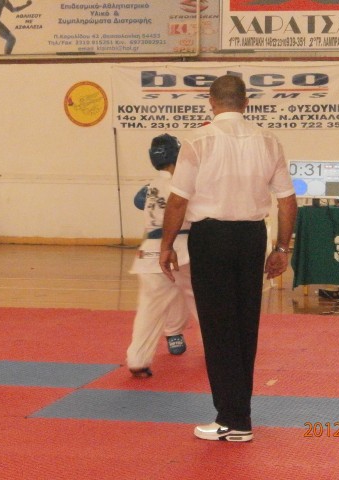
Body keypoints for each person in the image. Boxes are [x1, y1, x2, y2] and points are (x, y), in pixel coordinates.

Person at [159, 75, 297, 442]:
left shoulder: (198, 140)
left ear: (211, 102)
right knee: (244, 326)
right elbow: (287, 201)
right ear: (246, 103)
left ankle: (233, 420)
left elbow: (178, 200)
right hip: (252, 237)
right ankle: (239, 415)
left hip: (211, 238)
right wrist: (282, 248)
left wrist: (166, 245)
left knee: (218, 327)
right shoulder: (268, 140)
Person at [126, 134, 198, 378]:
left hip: (149, 252)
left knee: (149, 308)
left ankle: (137, 359)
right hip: (180, 248)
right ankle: (222, 351)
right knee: (205, 302)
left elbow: (139, 202)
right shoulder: (182, 184)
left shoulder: (151, 186)